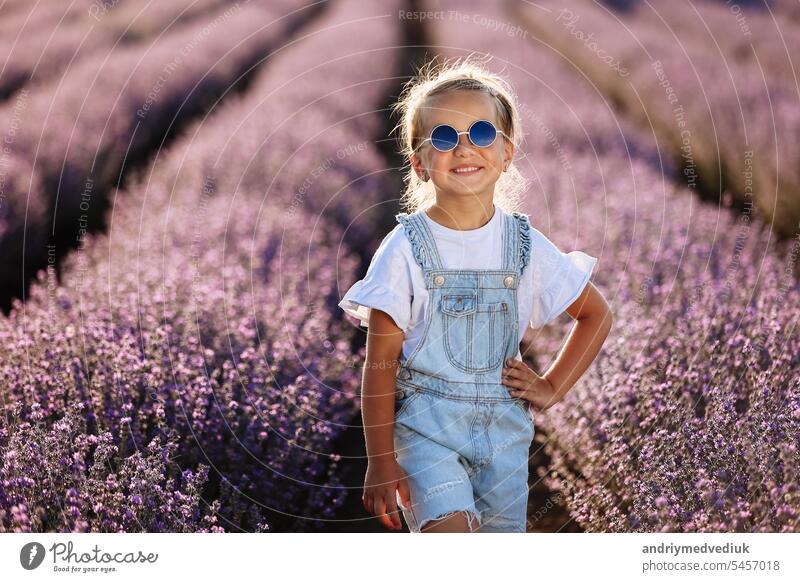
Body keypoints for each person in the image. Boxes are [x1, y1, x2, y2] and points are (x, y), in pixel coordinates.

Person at [338, 56, 613, 533]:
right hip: (426, 433)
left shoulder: (524, 245)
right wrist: (380, 460)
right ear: (420, 164)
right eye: (444, 139)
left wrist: (551, 387)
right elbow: (379, 363)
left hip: (505, 437)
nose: (464, 149)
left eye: (481, 134)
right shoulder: (404, 249)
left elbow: (595, 314)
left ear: (506, 153)